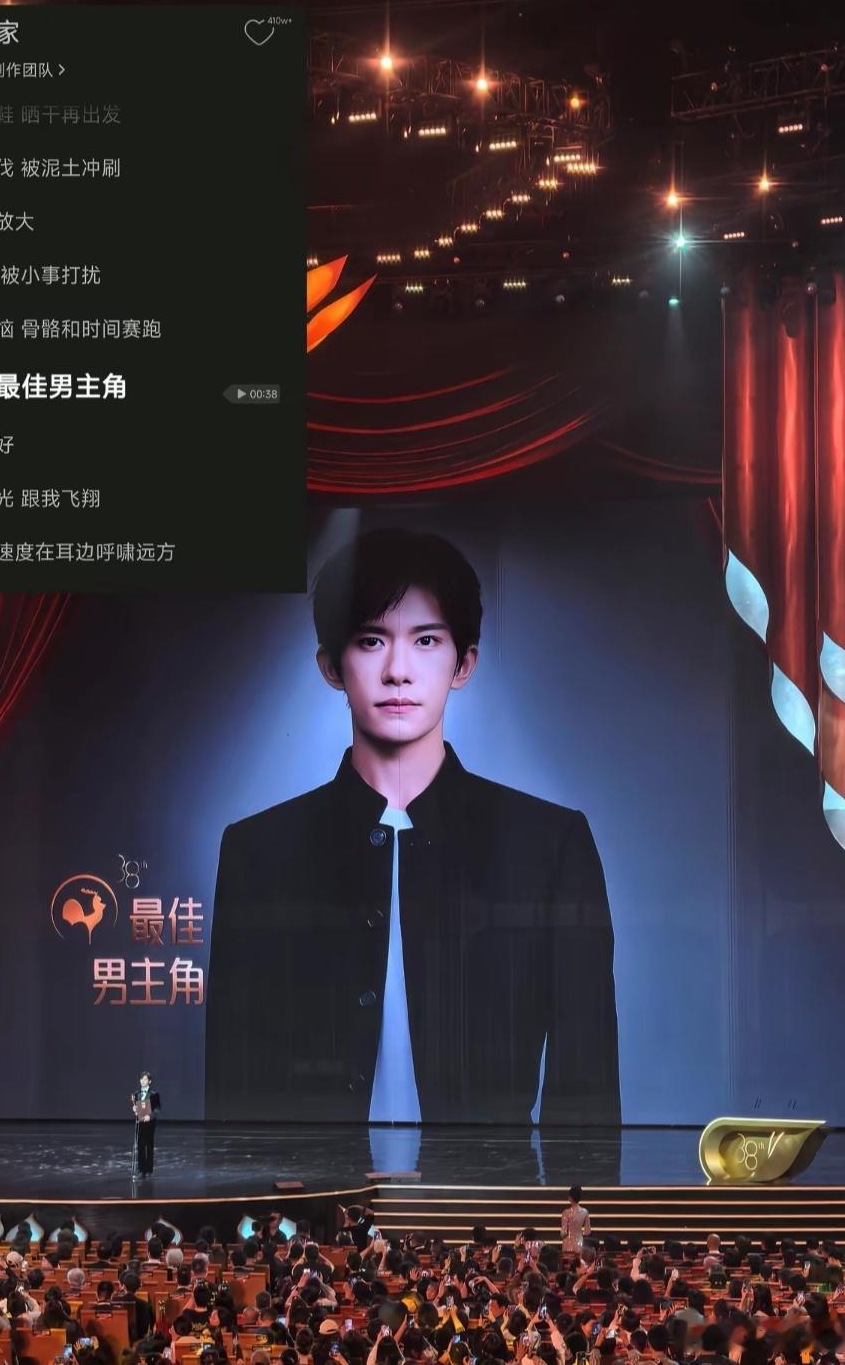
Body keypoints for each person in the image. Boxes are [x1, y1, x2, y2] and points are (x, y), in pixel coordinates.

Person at [203, 527, 620, 1124]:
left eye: (426, 640)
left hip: (493, 1186)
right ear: (331, 666)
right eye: (371, 640)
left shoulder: (551, 844)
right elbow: (232, 1097)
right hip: (311, 1184)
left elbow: (587, 1094)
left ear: (463, 663)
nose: (398, 671)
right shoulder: (257, 851)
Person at [132, 1071, 161, 1177]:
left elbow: (157, 1108)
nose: (143, 1081)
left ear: (149, 1081)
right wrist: (134, 1109)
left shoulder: (154, 1094)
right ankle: (141, 1169)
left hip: (150, 1122)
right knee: (140, 1145)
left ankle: (149, 1169)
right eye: (142, 1079)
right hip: (140, 1122)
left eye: (145, 1079)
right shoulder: (136, 1094)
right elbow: (137, 1107)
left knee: (149, 1145)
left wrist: (150, 1116)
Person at [561, 1187, 591, 1259]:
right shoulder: (585, 1211)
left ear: (570, 1197)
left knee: (568, 1263)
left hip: (568, 1243)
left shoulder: (565, 1212)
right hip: (580, 1242)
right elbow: (587, 1231)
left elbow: (563, 1233)